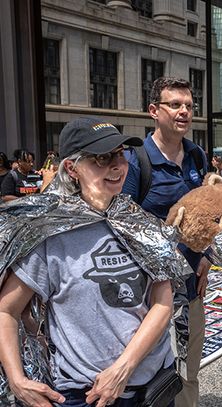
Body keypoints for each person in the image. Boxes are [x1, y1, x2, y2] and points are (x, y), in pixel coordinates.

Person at [0, 117, 180, 407]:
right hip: (87, 396)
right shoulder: (51, 235)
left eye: (119, 155)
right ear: (72, 168)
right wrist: (16, 380)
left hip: (151, 388)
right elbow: (6, 310)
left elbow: (162, 302)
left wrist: (123, 369)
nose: (117, 166)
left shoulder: (140, 224)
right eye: (101, 158)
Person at [122, 77, 209, 407]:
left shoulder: (196, 156)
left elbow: (208, 214)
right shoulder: (134, 162)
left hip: (191, 291)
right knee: (148, 372)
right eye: (175, 105)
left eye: (188, 105)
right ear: (153, 111)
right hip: (148, 294)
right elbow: (122, 225)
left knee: (188, 372)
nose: (184, 111)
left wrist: (206, 256)